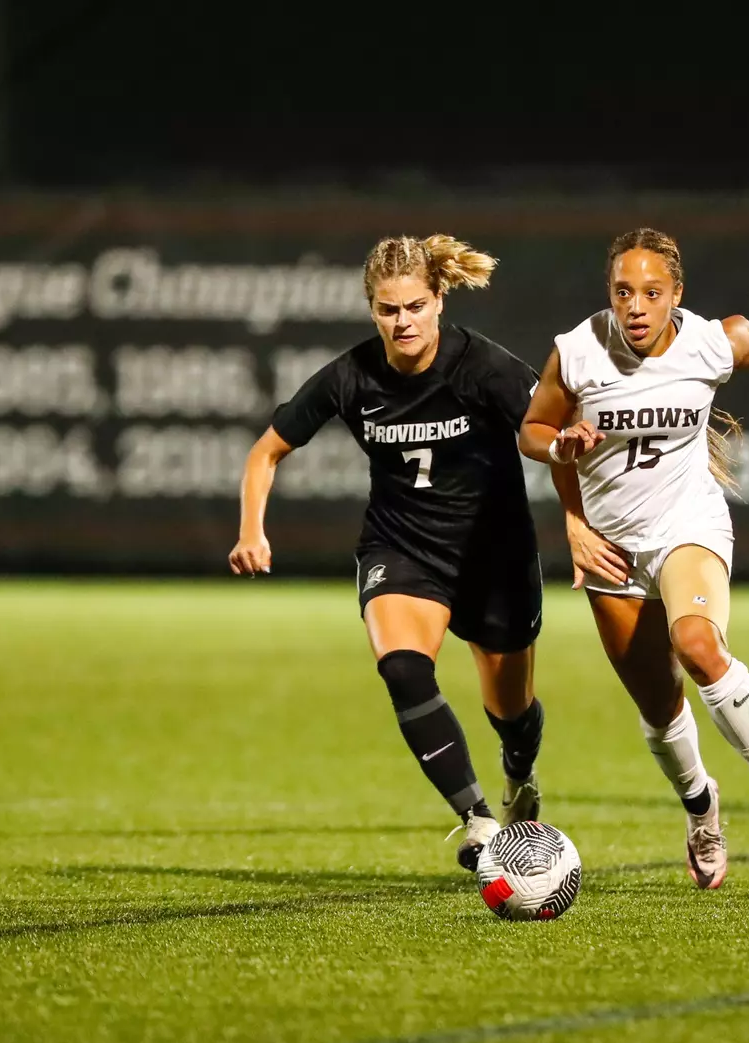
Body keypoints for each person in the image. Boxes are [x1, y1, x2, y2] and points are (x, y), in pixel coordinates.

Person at [519, 227, 749, 890]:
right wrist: (566, 480)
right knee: (659, 704)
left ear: (676, 296)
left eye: (650, 292)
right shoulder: (577, 353)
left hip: (686, 527)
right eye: (622, 292)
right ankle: (700, 808)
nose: (635, 306)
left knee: (696, 645)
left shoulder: (708, 341)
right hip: (610, 547)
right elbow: (532, 430)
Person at [228, 233, 547, 870]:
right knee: (403, 669)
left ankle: (519, 778)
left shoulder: (484, 367)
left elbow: (547, 430)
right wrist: (251, 530)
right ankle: (479, 823)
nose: (401, 321)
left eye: (414, 306)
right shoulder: (351, 375)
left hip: (495, 556)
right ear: (372, 308)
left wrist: (585, 516)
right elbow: (266, 450)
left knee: (510, 712)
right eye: (387, 309)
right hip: (402, 548)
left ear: (439, 300)